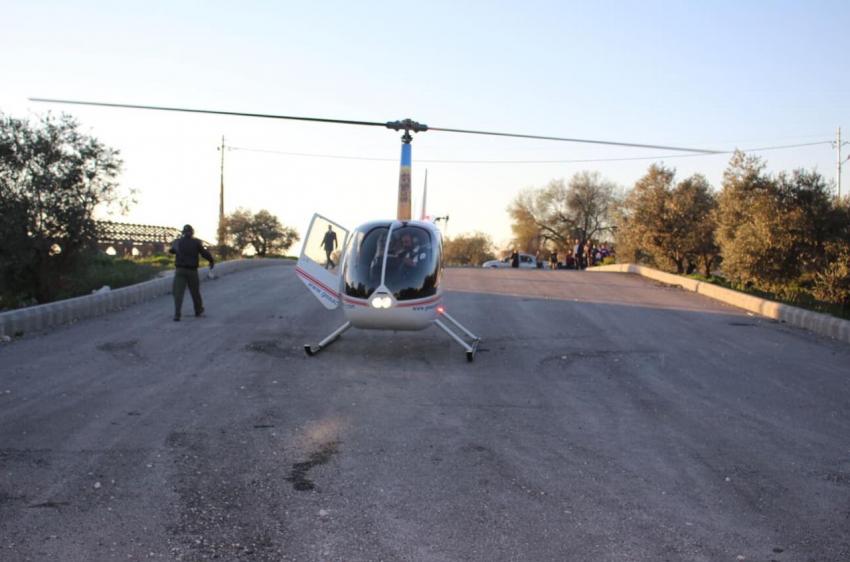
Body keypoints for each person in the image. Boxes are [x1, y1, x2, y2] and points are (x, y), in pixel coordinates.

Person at [169, 224, 214, 321]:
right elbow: (204, 253)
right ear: (192, 232)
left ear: (183, 232)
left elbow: (171, 251)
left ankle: (177, 314)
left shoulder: (178, 242)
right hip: (192, 271)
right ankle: (198, 310)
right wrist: (211, 261)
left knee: (178, 293)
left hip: (180, 271)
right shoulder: (196, 242)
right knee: (195, 292)